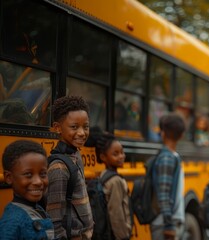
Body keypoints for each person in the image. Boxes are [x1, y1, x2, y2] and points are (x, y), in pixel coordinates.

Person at [45, 95, 94, 239]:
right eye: (74, 127)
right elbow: (54, 220)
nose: (81, 133)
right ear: (57, 128)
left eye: (86, 127)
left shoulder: (76, 155)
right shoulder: (59, 168)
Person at [0, 140, 55, 239]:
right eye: (28, 175)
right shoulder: (12, 221)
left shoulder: (38, 209)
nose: (38, 181)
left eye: (43, 174)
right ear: (8, 177)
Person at [150, 112, 186, 240]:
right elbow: (163, 195)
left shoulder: (172, 156)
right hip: (164, 224)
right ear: (181, 136)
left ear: (162, 133)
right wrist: (169, 225)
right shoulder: (167, 158)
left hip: (169, 222)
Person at [94, 132, 132, 240]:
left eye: (122, 152)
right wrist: (123, 236)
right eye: (115, 154)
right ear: (103, 157)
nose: (121, 156)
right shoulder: (116, 181)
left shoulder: (103, 175)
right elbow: (116, 213)